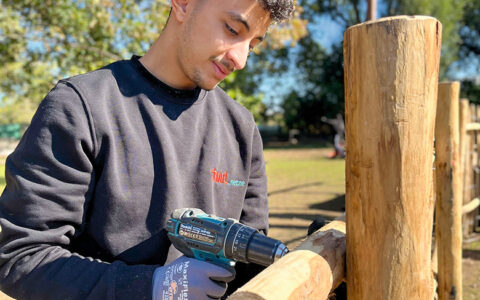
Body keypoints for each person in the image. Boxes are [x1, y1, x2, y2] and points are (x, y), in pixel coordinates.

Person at [0, 0, 294, 299]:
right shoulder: (80, 107)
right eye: (233, 30)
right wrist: (151, 286)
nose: (241, 59)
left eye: (253, 44)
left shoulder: (241, 126)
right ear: (183, 4)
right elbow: (22, 257)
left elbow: (250, 254)